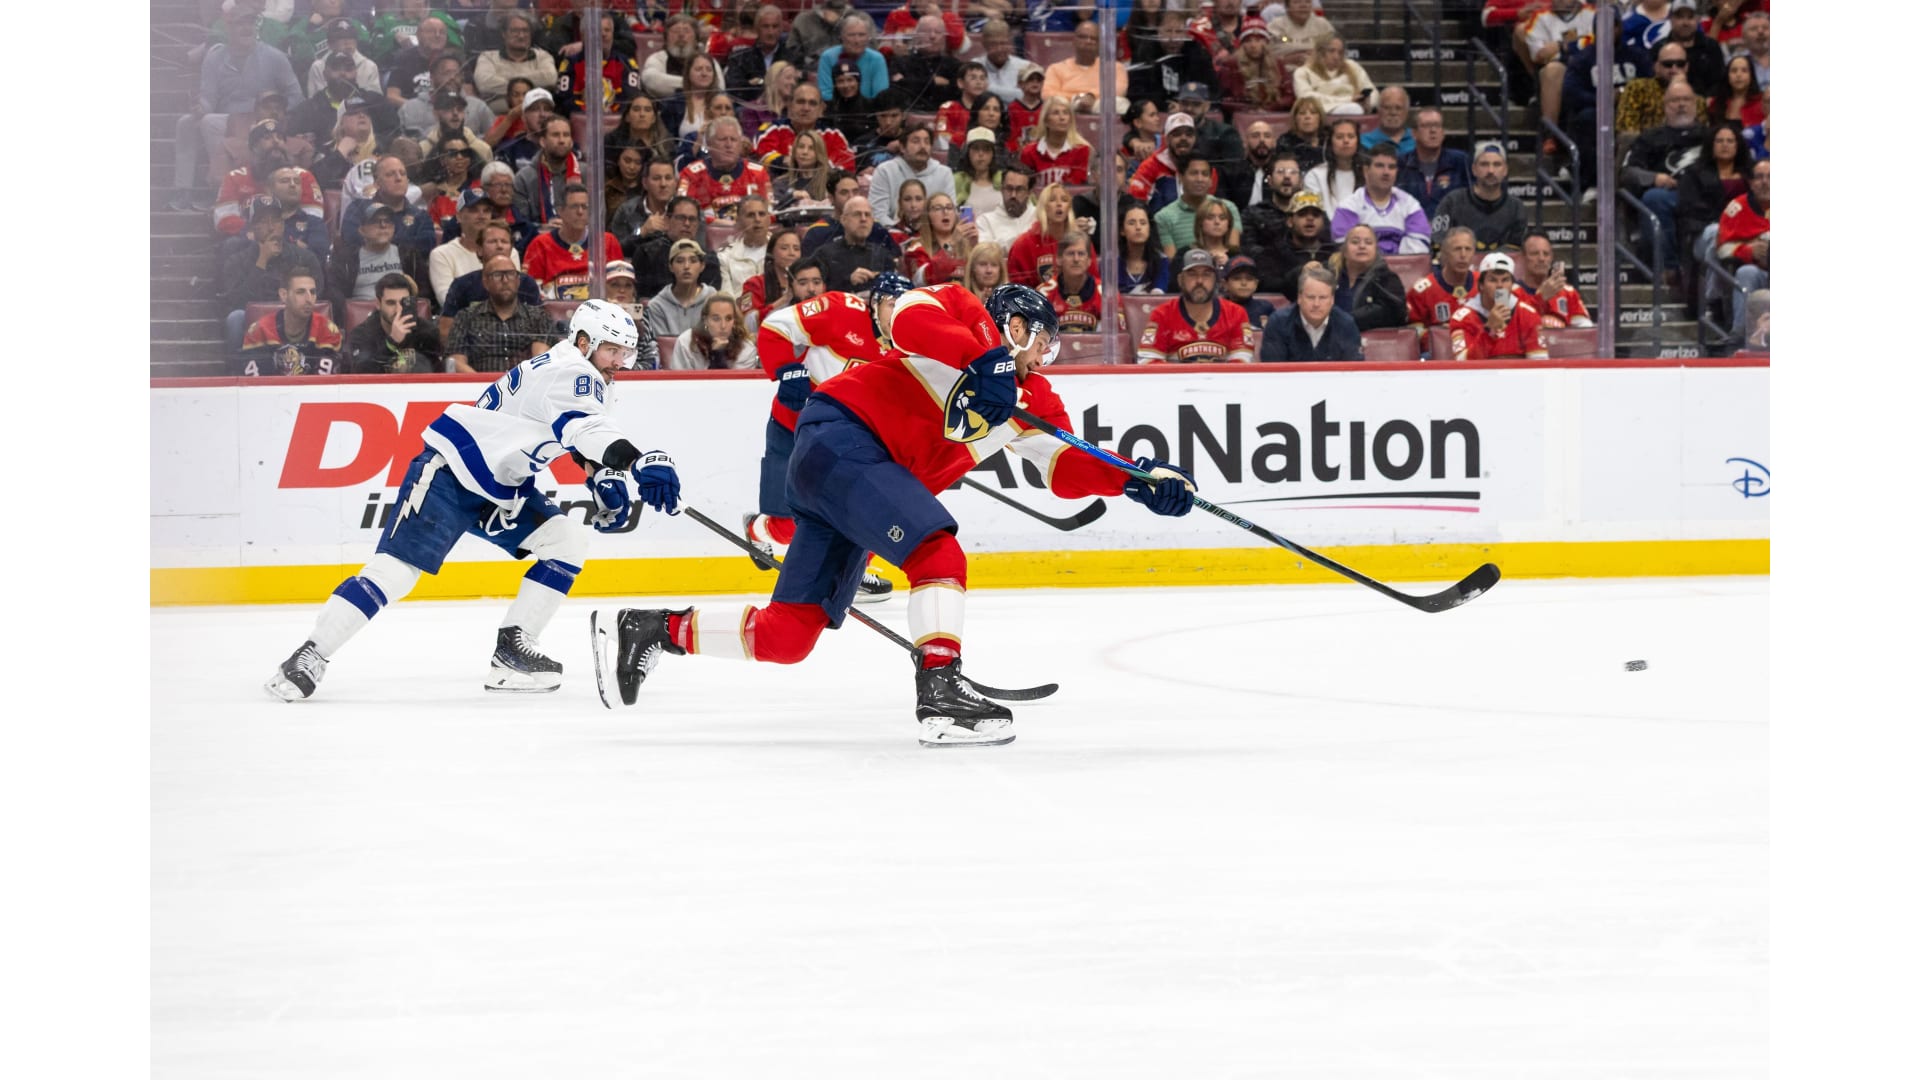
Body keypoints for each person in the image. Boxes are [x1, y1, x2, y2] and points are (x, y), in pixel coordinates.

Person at [599, 282, 1195, 748]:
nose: (1047, 355)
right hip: (842, 439)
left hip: (852, 478)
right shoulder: (964, 314)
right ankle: (940, 688)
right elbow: (907, 315)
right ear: (1016, 327)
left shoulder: (1032, 397)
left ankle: (652, 628)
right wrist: (983, 358)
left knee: (788, 636)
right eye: (1044, 340)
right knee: (938, 551)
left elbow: (1064, 466)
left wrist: (1137, 481)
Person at [268, 300, 681, 702]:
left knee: (566, 540)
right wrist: (637, 462)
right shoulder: (572, 371)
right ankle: (309, 654)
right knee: (396, 572)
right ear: (585, 341)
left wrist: (602, 474)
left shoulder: (580, 371)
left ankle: (513, 652)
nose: (619, 362)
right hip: (451, 473)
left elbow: (573, 433)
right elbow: (583, 427)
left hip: (500, 486)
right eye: (612, 350)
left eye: (625, 353)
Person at [742, 268, 897, 594]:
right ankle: (756, 529)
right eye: (892, 304)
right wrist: (786, 370)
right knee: (789, 526)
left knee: (863, 511)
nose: (898, 314)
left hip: (845, 441)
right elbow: (775, 326)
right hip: (793, 425)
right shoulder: (841, 309)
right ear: (875, 302)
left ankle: (853, 571)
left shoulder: (907, 348)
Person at [170, 12, 305, 211]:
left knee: (209, 122)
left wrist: (274, 112)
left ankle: (220, 189)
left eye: (250, 23)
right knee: (186, 122)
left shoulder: (274, 57)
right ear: (228, 28)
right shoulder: (215, 58)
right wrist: (200, 108)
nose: (246, 28)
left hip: (261, 118)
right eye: (240, 24)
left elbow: (296, 96)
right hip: (228, 118)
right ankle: (183, 190)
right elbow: (209, 99)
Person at [1622, 80, 1707, 271]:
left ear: (1695, 104)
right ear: (1665, 105)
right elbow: (1628, 172)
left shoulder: (1710, 136)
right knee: (1655, 198)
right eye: (1675, 100)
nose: (1681, 104)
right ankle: (1668, 268)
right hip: (1668, 194)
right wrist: (1654, 178)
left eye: (1686, 99)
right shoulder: (1649, 137)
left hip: (1704, 194)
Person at [447, 254, 565, 373]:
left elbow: (540, 362)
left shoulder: (538, 317)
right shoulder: (466, 317)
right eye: (497, 275)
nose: (505, 280)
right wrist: (485, 384)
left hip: (526, 382)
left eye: (511, 274)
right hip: (479, 383)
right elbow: (456, 362)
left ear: (518, 281)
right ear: (485, 282)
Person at [1137, 250, 1258, 363]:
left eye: (1206, 274)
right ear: (1180, 280)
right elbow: (1148, 362)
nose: (1200, 280)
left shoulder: (1236, 314)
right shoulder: (1162, 314)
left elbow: (1243, 363)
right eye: (1192, 274)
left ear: (1216, 280)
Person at [1674, 122, 1752, 286]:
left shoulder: (1750, 174)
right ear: (1711, 145)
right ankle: (1713, 295)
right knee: (1717, 233)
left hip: (1746, 231)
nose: (1725, 145)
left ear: (1738, 145)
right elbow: (1688, 209)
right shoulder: (1694, 174)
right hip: (1705, 232)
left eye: (1730, 141)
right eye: (1719, 141)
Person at [1516, 0, 1594, 161]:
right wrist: (1576, 44)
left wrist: (1561, 46)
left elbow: (1596, 42)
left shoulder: (1592, 14)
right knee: (1552, 70)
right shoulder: (1540, 16)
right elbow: (1539, 54)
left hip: (1589, 66)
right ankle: (1550, 134)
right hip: (1561, 66)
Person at [522, 183, 625, 300]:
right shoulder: (540, 245)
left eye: (585, 207)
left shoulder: (607, 242)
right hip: (554, 310)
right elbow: (531, 292)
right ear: (560, 211)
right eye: (574, 206)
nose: (580, 212)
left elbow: (621, 286)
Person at [238, 265, 342, 376]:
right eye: (300, 292)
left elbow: (325, 383)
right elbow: (253, 383)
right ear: (284, 295)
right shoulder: (259, 331)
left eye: (312, 292)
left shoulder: (327, 330)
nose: (309, 299)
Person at [1330, 143, 1431, 254]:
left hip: (1402, 265)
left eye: (1391, 167)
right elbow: (1345, 249)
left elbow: (1420, 248)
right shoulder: (1348, 207)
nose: (1386, 172)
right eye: (1379, 166)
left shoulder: (1410, 205)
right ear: (1366, 171)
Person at [1447, 251, 1548, 360]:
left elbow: (1539, 363)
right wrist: (1489, 330)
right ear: (1481, 285)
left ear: (1512, 285)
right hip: (1481, 372)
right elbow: (1462, 363)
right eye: (1493, 280)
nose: (1500, 286)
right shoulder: (1462, 318)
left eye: (1505, 280)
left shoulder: (1528, 315)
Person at [1428, 142, 1528, 252]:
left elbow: (1518, 250)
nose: (1490, 171)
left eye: (1497, 164)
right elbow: (1438, 243)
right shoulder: (1452, 202)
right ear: (1474, 169)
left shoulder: (1516, 207)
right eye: (1484, 164)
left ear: (1505, 170)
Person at [329, 202, 430, 307]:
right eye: (375, 221)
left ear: (394, 228)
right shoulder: (345, 259)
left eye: (387, 221)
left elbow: (425, 293)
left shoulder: (409, 255)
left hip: (401, 310)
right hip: (362, 312)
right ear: (362, 230)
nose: (383, 225)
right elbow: (335, 295)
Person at [676, 117, 774, 222]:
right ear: (709, 143)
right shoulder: (691, 174)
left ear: (740, 144)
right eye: (722, 139)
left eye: (733, 139)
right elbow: (682, 213)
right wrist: (717, 223)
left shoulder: (758, 173)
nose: (729, 145)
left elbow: (770, 214)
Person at [1259, 264, 1361, 362]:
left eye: (1323, 298)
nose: (1316, 304)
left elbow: (1354, 369)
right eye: (1311, 297)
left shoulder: (1346, 324)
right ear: (1299, 298)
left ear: (1332, 299)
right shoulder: (1278, 323)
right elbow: (1273, 369)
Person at [343, 271, 441, 373]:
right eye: (391, 303)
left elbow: (436, 374)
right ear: (378, 304)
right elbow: (361, 373)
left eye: (404, 302)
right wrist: (391, 343)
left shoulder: (427, 332)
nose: (398, 309)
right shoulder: (361, 335)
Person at [1715, 157, 1768, 343]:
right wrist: (1747, 251)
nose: (1765, 182)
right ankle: (1739, 335)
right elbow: (1721, 249)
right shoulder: (1736, 208)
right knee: (1746, 273)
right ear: (1751, 183)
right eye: (1759, 177)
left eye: (1770, 177)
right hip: (1760, 273)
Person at [868, 122, 955, 229]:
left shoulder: (944, 173)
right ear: (902, 147)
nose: (923, 146)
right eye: (916, 141)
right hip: (893, 233)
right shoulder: (885, 171)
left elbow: (950, 213)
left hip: (933, 234)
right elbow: (877, 214)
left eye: (927, 142)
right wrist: (902, 233)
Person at [1405, 226, 1481, 349]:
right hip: (1438, 354)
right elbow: (1413, 331)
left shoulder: (1484, 283)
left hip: (1478, 351)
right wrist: (1439, 335)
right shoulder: (1423, 290)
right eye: (1457, 249)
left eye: (1468, 249)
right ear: (1444, 253)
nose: (1463, 255)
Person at [474, 12, 560, 114]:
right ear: (504, 34)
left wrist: (504, 80)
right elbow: (484, 84)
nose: (521, 35)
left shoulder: (542, 56)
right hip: (497, 116)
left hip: (538, 115)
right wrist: (532, 85)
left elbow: (550, 79)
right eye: (515, 31)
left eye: (525, 30)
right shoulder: (488, 57)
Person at [1328, 223, 1408, 331]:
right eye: (1355, 242)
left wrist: (1345, 321)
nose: (1362, 246)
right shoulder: (1328, 274)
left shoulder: (1387, 278)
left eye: (1368, 242)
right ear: (1344, 250)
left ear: (1376, 250)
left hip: (1371, 339)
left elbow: (1394, 312)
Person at [1155, 158, 1243, 254]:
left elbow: (1233, 252)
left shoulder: (1228, 207)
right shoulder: (1164, 217)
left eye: (1205, 174)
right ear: (1180, 177)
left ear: (1211, 180)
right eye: (1194, 173)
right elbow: (1172, 260)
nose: (1199, 179)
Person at [1395, 108, 1470, 217]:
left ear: (1443, 132)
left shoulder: (1461, 161)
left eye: (1437, 125)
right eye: (1426, 126)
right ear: (1414, 133)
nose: (1433, 130)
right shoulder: (1401, 164)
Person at [1045, 18, 1129, 114]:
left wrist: (1091, 96)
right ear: (1074, 41)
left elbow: (1118, 89)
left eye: (1093, 38)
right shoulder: (1055, 68)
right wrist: (1076, 99)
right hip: (1066, 108)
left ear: (1100, 44)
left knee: (1120, 103)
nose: (1088, 41)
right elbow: (1047, 94)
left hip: (1100, 106)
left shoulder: (1115, 67)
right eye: (1083, 37)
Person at [511, 115, 581, 231]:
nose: (562, 140)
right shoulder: (523, 178)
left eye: (566, 135)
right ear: (543, 141)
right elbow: (521, 223)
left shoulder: (587, 174)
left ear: (572, 142)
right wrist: (542, 228)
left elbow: (598, 218)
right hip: (540, 238)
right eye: (555, 135)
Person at [645, 239, 722, 344]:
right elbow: (662, 346)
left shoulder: (714, 301)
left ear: (702, 266)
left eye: (693, 261)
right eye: (680, 261)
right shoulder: (657, 306)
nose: (686, 266)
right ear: (671, 267)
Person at [1515, 229, 1595, 329]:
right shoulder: (1509, 293)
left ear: (1551, 257)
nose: (1541, 259)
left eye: (1546, 254)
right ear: (1522, 257)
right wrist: (1540, 298)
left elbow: (1585, 330)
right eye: (1535, 253)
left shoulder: (1568, 293)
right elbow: (1505, 330)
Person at [815, 196, 899, 292]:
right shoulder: (824, 255)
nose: (863, 219)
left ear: (872, 221)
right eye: (857, 214)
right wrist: (849, 281)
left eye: (867, 215)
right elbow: (817, 292)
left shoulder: (884, 256)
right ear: (843, 220)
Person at [1008, 182, 1082, 287]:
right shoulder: (1023, 245)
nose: (1059, 204)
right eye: (1052, 200)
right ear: (1043, 207)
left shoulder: (1081, 242)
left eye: (1064, 200)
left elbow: (1094, 283)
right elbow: (1016, 290)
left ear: (1069, 208)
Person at [1216, 18, 1292, 116]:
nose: (1253, 45)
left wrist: (1270, 108)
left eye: (1258, 40)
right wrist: (1247, 109)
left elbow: (1289, 96)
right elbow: (1223, 99)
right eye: (1248, 41)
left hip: (1274, 114)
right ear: (1242, 45)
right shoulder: (1231, 65)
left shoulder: (1277, 63)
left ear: (1265, 42)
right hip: (1242, 116)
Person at [665, 292, 758, 370]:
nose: (723, 326)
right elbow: (680, 384)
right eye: (716, 319)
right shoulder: (685, 343)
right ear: (705, 320)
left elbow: (732, 385)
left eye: (728, 318)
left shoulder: (746, 349)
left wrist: (719, 355)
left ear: (734, 321)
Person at [725, 4, 798, 102]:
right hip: (749, 108)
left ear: (781, 29)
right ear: (756, 29)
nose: (771, 32)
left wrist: (758, 83)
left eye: (775, 26)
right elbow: (735, 90)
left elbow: (797, 89)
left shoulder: (794, 58)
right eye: (766, 26)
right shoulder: (739, 59)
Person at [889, 13, 961, 111]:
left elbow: (956, 91)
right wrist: (933, 82)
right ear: (916, 36)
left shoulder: (954, 65)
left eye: (938, 32)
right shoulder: (901, 63)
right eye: (926, 31)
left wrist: (911, 81)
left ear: (944, 37)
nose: (932, 36)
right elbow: (898, 87)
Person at [1292, 34, 1375, 116]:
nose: (1336, 57)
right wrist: (1347, 100)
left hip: (1354, 107)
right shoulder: (1303, 72)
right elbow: (1306, 98)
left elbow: (1372, 90)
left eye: (1340, 52)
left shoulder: (1353, 66)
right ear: (1320, 52)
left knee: (1356, 108)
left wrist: (1368, 103)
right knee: (1353, 109)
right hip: (1322, 111)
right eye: (1331, 51)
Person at [740, 227, 806, 330]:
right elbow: (747, 322)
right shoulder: (753, 284)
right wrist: (784, 300)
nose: (791, 253)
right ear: (772, 253)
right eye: (784, 248)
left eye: (796, 249)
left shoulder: (809, 283)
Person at [1019, 96, 1092, 187]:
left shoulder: (1081, 150)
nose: (1062, 118)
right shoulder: (1029, 152)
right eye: (1056, 113)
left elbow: (1077, 187)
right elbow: (1024, 186)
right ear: (1046, 121)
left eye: (1066, 113)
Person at [1038, 230, 1100, 332]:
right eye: (1070, 253)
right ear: (1059, 259)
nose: (1076, 259)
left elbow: (1118, 337)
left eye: (1081, 254)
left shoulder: (1105, 294)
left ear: (1089, 260)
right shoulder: (1044, 294)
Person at [816, 11, 888, 99]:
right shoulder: (828, 57)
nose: (857, 40)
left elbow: (881, 96)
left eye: (862, 35)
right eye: (851, 35)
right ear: (841, 36)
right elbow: (825, 94)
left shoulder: (877, 59)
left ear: (868, 37)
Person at [492, 87, 559, 173]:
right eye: (535, 109)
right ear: (523, 117)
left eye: (547, 109)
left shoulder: (565, 146)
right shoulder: (508, 150)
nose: (542, 114)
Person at [1303, 117, 1363, 207]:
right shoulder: (1315, 175)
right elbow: (1313, 211)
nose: (1346, 141)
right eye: (1339, 137)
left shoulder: (1369, 174)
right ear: (1330, 143)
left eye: (1351, 136)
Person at [975, 164, 1036, 250]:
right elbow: (985, 253)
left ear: (1029, 192)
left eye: (1019, 189)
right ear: (1001, 189)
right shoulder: (985, 221)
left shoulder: (1040, 217)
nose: (1013, 195)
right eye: (1009, 188)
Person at [1118, 203, 1172, 295]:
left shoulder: (1161, 261)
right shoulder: (1112, 263)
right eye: (1131, 223)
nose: (1138, 227)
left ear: (1149, 228)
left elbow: (1158, 294)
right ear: (1122, 230)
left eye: (1143, 223)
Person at [1707, 54, 1765, 128]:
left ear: (1751, 76)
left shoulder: (1762, 104)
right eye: (1734, 71)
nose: (1738, 75)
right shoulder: (1715, 104)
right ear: (1727, 76)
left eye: (1744, 71)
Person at [1220, 255, 1275, 331]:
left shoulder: (1266, 308)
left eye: (1249, 278)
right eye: (1237, 278)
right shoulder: (1217, 309)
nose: (1244, 283)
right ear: (1225, 284)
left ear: (1256, 284)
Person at [1277, 95, 1327, 173]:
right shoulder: (1285, 142)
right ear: (1295, 119)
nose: (1307, 117)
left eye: (1313, 113)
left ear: (1320, 118)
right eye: (1302, 113)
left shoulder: (1329, 139)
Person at [1360, 86, 1414, 155]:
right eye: (1387, 108)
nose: (1393, 113)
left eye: (1398, 108)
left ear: (1406, 111)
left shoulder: (1418, 139)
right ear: (1378, 110)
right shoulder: (1363, 142)